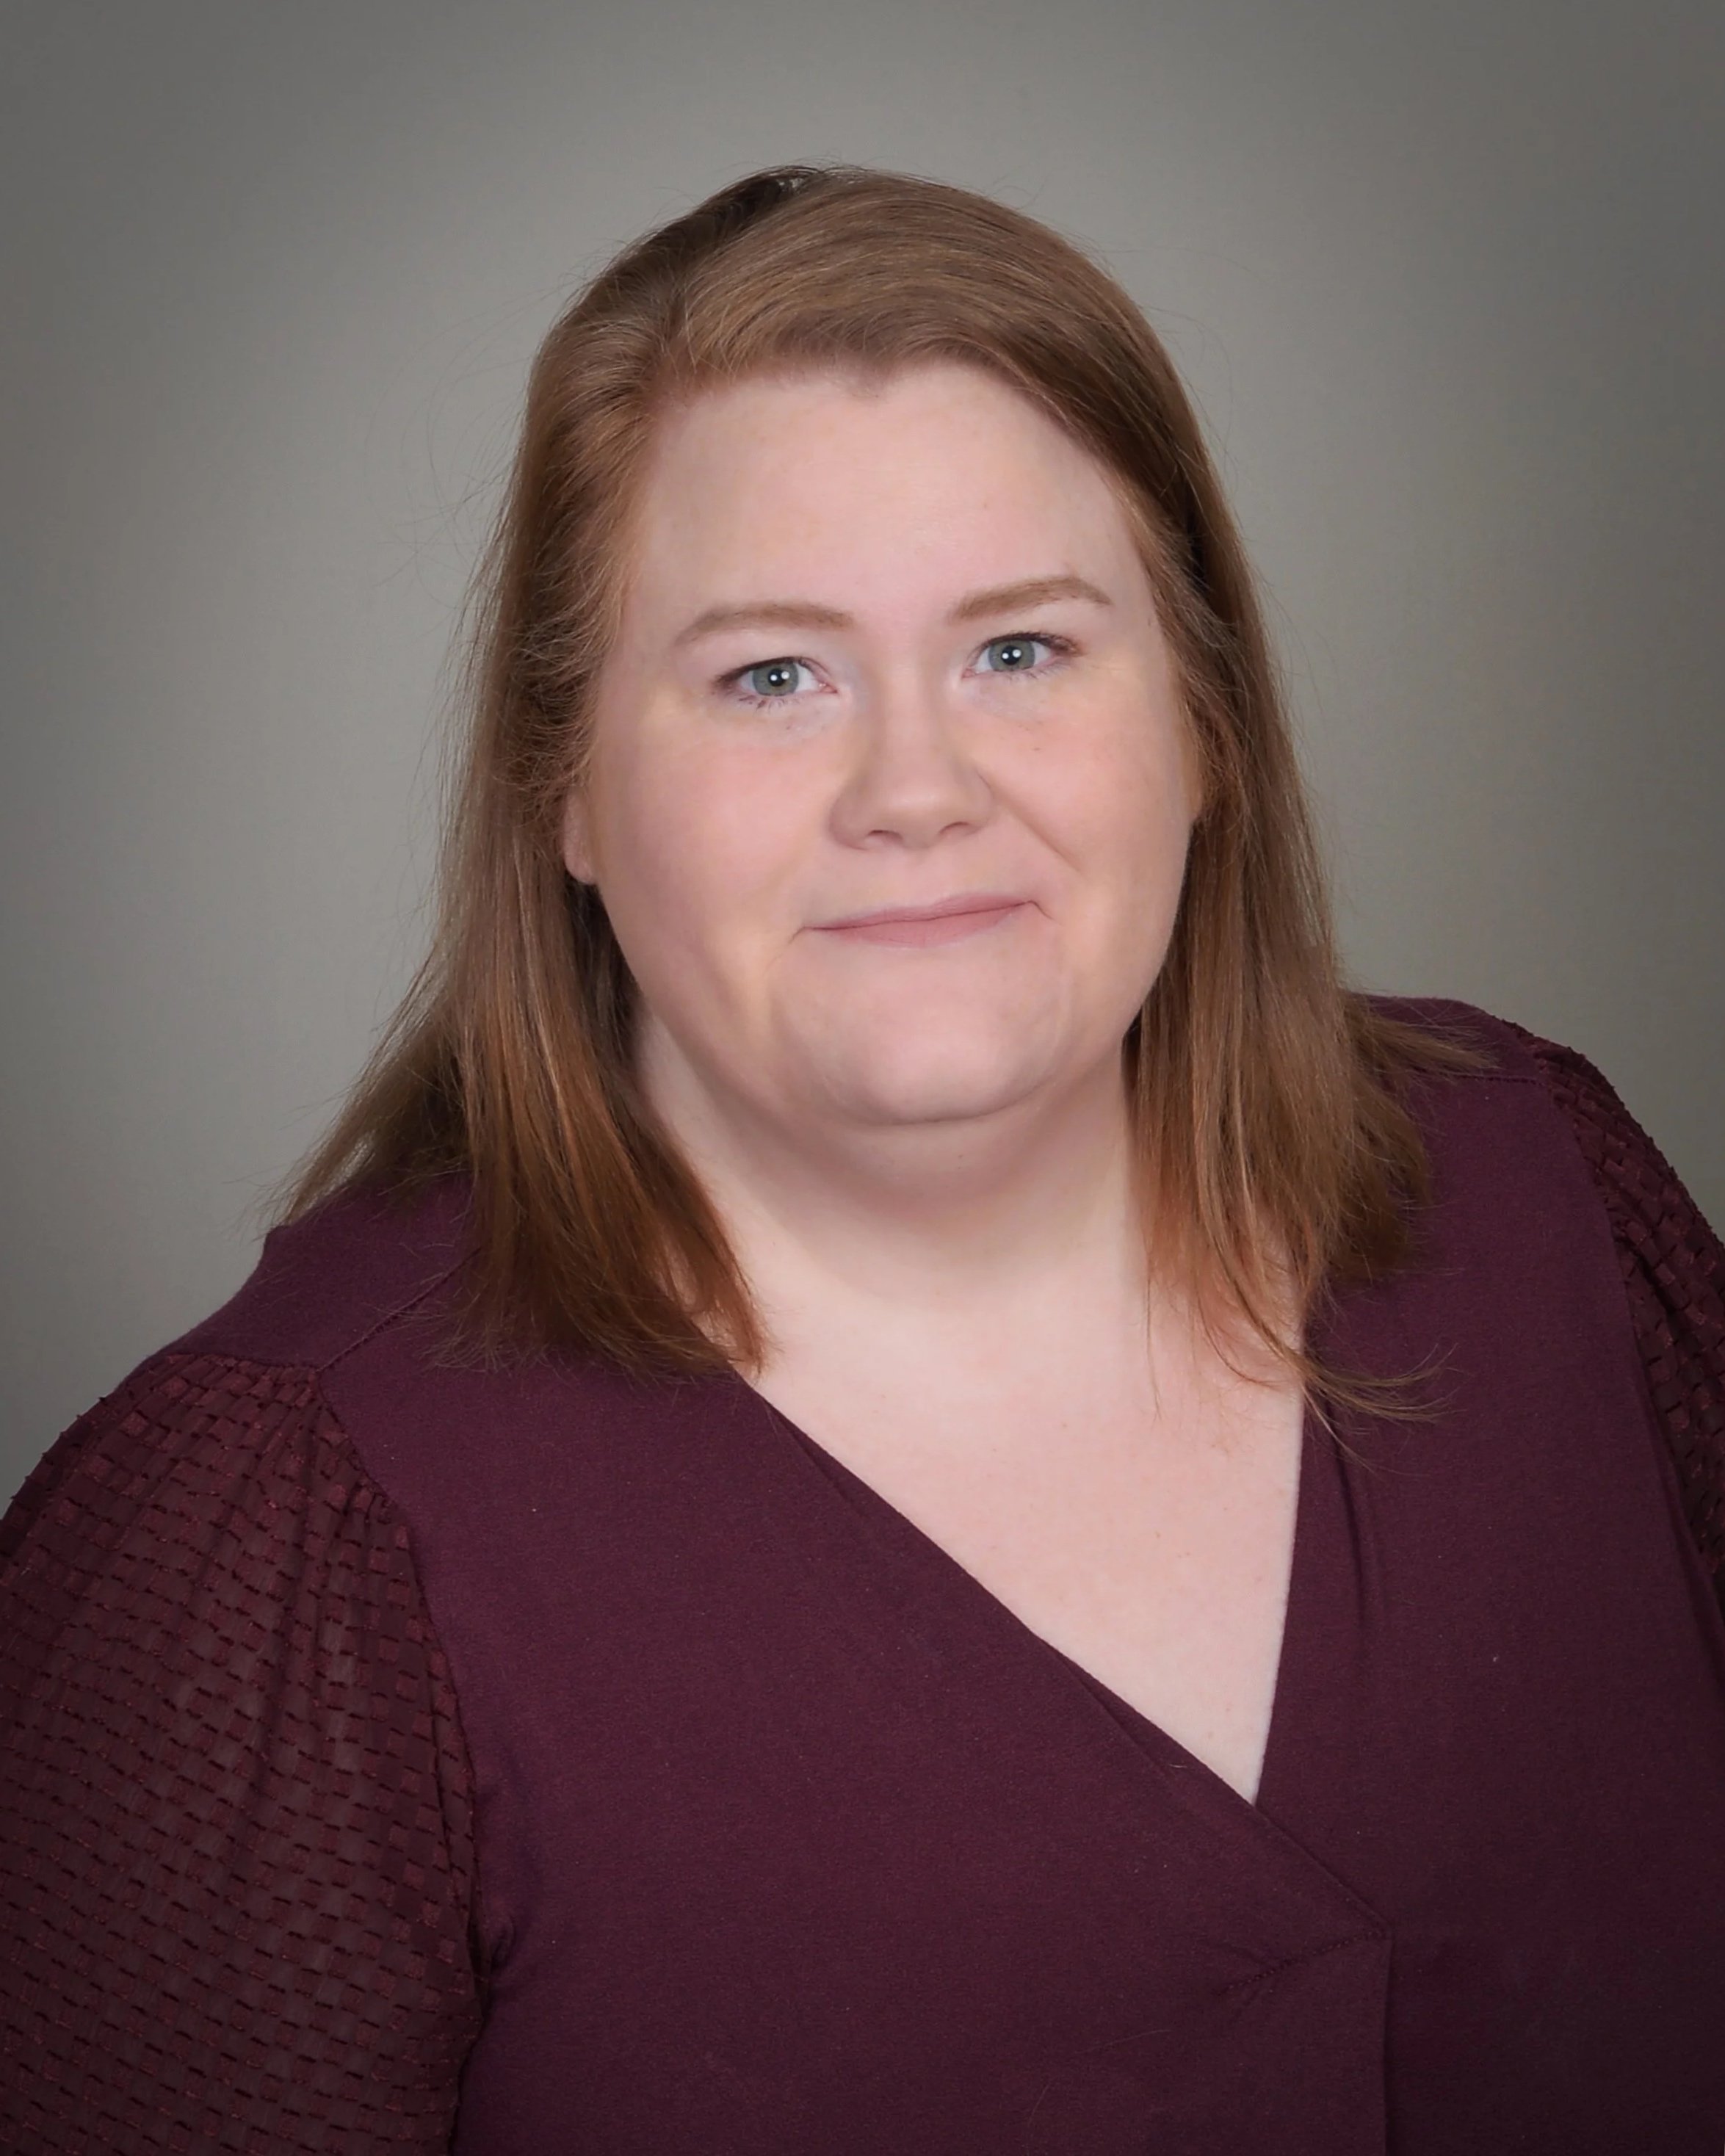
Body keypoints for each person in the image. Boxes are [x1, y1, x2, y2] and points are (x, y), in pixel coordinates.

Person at [2, 164, 1722, 2156]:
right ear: (562, 788)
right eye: (769, 677)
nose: (917, 790)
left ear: (1208, 724)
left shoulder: (1549, 1198)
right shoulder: (276, 1551)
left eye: (1023, 651)